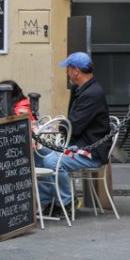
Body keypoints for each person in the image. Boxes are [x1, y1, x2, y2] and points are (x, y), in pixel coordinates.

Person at [38, 52, 112, 209]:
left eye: (68, 69)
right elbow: (70, 124)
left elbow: (72, 127)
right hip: (78, 145)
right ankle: (47, 202)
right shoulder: (83, 89)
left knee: (51, 161)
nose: (67, 72)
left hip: (90, 152)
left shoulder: (92, 94)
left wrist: (61, 127)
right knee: (38, 155)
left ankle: (66, 203)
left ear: (76, 71)